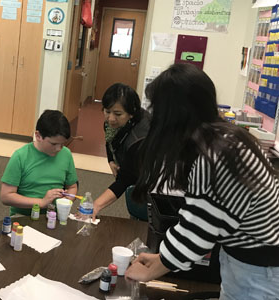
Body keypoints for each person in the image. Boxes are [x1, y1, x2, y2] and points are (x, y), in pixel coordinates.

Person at [125, 63, 279, 299]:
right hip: (251, 261)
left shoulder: (215, 156)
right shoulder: (225, 138)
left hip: (258, 270)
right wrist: (162, 257)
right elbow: (201, 220)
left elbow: (196, 230)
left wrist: (155, 268)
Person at [0, 110, 78, 216]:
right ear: (38, 136)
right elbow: (6, 196)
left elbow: (72, 187)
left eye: (62, 144)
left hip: (55, 215)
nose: (59, 148)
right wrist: (41, 202)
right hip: (24, 217)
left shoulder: (66, 154)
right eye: (53, 144)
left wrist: (66, 201)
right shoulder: (21, 156)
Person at [92, 83, 151, 220]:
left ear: (132, 113)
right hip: (133, 170)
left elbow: (125, 179)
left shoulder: (140, 138)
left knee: (143, 221)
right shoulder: (113, 123)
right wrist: (111, 160)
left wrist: (96, 205)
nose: (111, 119)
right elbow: (110, 141)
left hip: (151, 180)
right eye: (107, 111)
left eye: (118, 114)